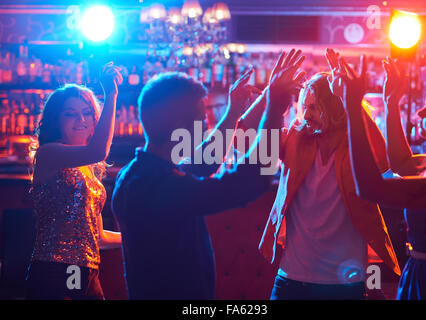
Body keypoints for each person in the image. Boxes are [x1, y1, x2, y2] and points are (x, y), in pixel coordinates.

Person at [111, 56, 304, 299]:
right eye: (201, 119)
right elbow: (250, 180)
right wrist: (274, 107)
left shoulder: (137, 175)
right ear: (179, 125)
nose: (205, 125)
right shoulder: (159, 188)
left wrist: (235, 110)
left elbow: (205, 160)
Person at [253, 49, 401, 300]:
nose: (306, 114)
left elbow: (383, 161)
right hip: (291, 279)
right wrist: (271, 95)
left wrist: (350, 100)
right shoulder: (295, 138)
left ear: (334, 106)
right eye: (303, 107)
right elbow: (254, 151)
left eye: (314, 107)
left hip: (343, 285)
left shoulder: (356, 146)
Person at [339, 53, 426, 299]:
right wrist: (391, 103)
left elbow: (370, 188)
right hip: (424, 272)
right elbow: (401, 162)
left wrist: (353, 110)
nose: (420, 113)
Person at [25, 63, 123, 300]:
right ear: (55, 120)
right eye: (70, 113)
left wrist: (142, 233)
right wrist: (111, 95)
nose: (81, 119)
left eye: (87, 112)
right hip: (56, 270)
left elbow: (98, 236)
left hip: (86, 270)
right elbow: (99, 150)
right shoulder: (49, 154)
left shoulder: (89, 169)